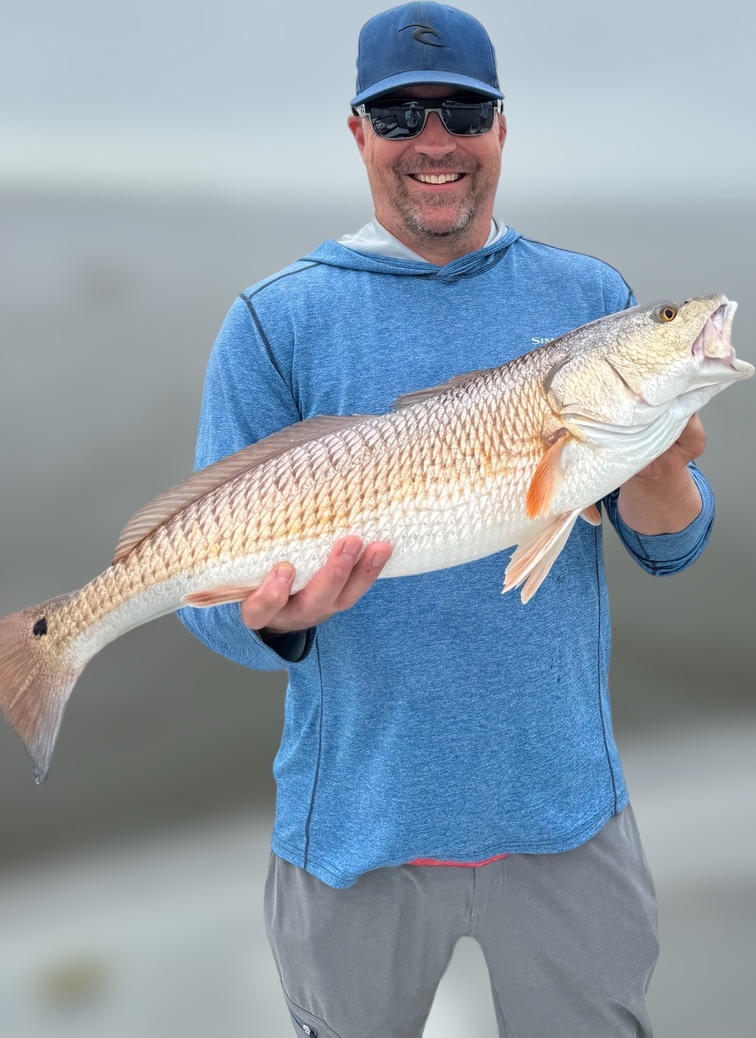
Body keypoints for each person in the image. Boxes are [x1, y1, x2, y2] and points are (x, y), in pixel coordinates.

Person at [179, 4, 714, 1035]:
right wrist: (282, 618)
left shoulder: (589, 298)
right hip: (354, 835)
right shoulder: (271, 321)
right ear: (357, 134)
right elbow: (215, 619)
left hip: (566, 817)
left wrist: (661, 447)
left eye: (463, 111)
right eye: (400, 115)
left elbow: (671, 545)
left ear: (502, 129)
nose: (435, 141)